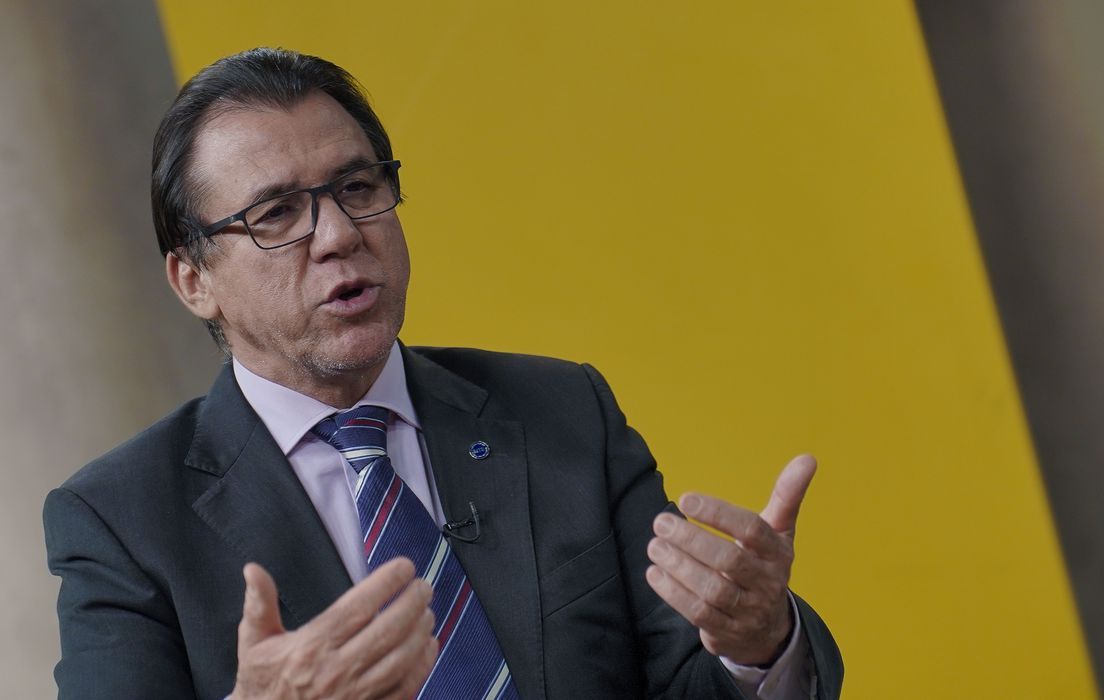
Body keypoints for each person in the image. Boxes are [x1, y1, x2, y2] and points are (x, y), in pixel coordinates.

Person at [43, 48, 843, 699]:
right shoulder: (122, 521)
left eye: (358, 187)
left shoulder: (564, 413)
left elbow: (689, 684)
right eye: (277, 213)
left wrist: (758, 646)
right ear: (193, 281)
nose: (338, 235)